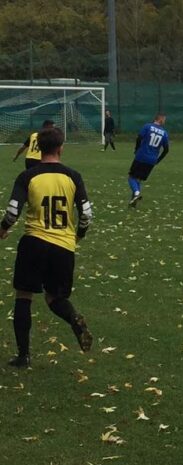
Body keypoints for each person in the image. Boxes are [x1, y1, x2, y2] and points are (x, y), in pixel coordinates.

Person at [0, 127, 94, 367]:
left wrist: (3, 229)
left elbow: (12, 212)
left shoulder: (28, 176)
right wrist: (78, 236)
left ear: (38, 147)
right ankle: (73, 318)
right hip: (63, 247)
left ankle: (23, 355)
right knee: (54, 298)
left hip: (34, 243)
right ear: (61, 148)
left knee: (24, 295)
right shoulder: (73, 176)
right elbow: (86, 214)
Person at [128, 113, 170, 207]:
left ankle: (136, 193)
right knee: (138, 180)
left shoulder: (147, 126)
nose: (164, 122)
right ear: (160, 119)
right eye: (164, 120)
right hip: (152, 160)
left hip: (141, 156)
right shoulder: (164, 133)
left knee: (131, 177)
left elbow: (139, 138)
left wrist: (137, 149)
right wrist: (158, 160)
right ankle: (133, 203)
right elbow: (166, 150)